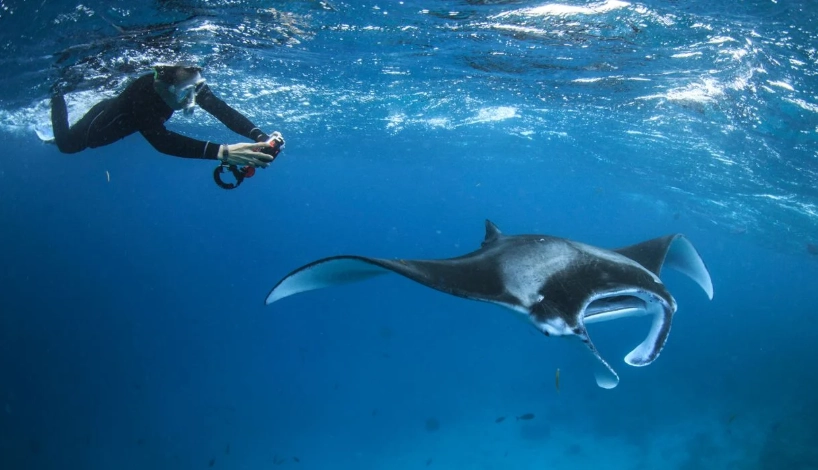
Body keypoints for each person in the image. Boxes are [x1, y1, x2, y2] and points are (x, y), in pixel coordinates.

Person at [50, 64, 283, 169]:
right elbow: (160, 140)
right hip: (100, 126)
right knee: (68, 145)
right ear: (163, 85)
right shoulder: (144, 90)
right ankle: (56, 92)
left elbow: (221, 110)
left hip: (123, 118)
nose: (192, 101)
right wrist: (223, 152)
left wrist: (261, 137)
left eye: (196, 90)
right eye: (185, 94)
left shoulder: (189, 81)